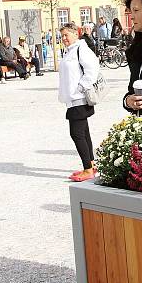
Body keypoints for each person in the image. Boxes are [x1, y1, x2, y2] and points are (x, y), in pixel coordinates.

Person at [58, 23, 100, 182]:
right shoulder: (70, 51)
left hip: (79, 99)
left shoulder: (81, 48)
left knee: (76, 134)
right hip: (73, 99)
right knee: (84, 132)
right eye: (62, 36)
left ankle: (87, 169)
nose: (64, 39)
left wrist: (80, 88)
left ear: (76, 34)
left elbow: (92, 69)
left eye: (66, 35)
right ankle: (91, 164)